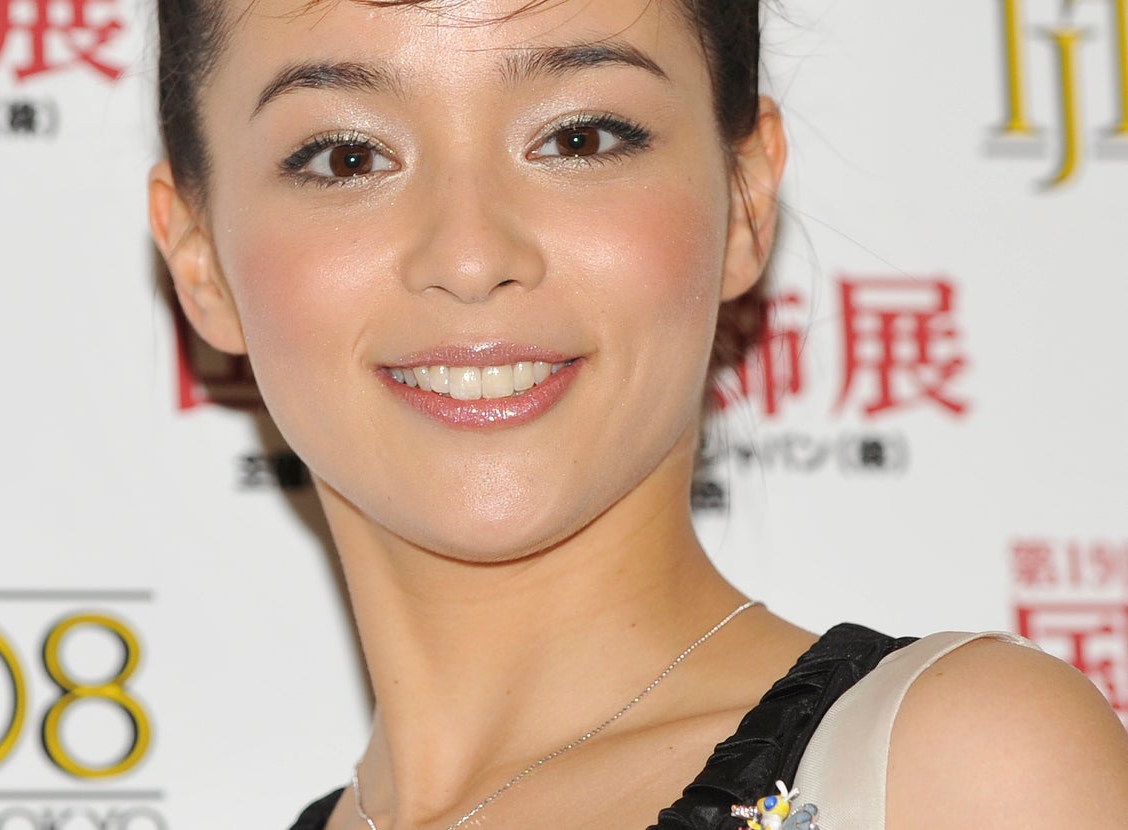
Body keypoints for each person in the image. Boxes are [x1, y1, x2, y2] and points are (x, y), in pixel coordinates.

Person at [146, 0, 1128, 827]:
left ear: (746, 199)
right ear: (198, 260)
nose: (470, 255)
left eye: (578, 138)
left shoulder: (949, 773)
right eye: (347, 157)